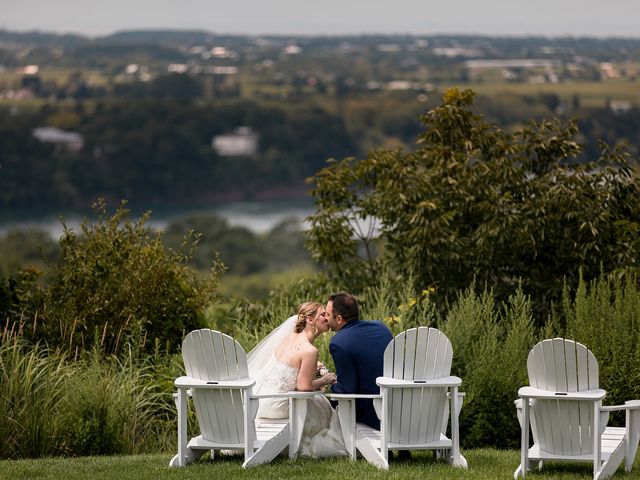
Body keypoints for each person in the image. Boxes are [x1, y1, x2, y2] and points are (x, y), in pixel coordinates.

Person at [248, 302, 347, 457]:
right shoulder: (310, 350)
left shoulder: (288, 338)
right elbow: (303, 387)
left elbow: (288, 368)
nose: (327, 318)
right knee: (321, 404)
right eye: (322, 314)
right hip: (277, 406)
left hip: (260, 402)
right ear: (309, 319)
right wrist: (325, 380)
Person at [326, 292, 393, 430]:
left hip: (372, 413)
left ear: (339, 319)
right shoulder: (381, 327)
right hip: (398, 407)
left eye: (327, 314)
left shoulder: (338, 342)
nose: (325, 318)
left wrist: (332, 382)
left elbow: (347, 390)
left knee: (330, 402)